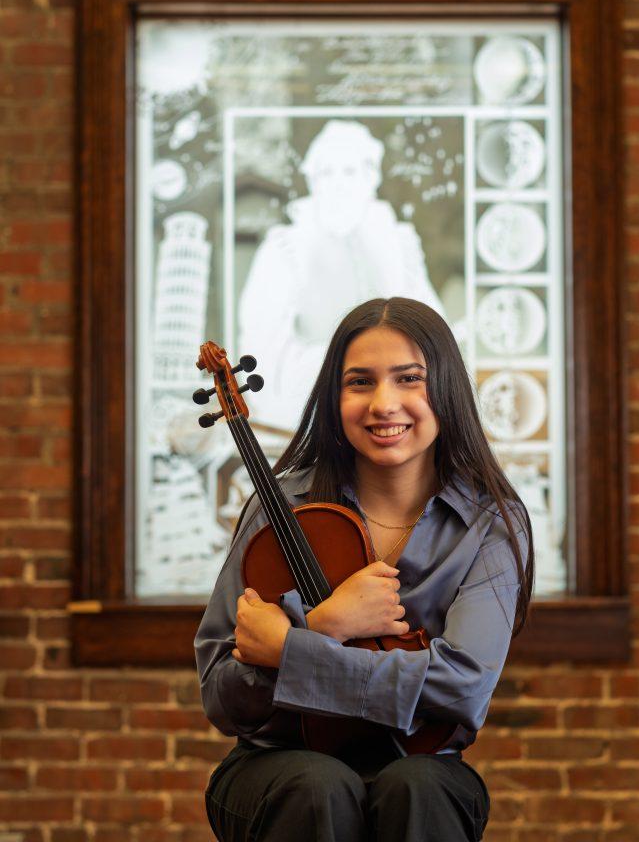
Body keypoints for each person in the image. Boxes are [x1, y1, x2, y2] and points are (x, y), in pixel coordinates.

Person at [195, 297, 534, 842]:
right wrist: (325, 624)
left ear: (446, 388)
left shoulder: (490, 522)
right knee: (317, 785)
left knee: (419, 786)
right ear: (334, 399)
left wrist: (292, 648)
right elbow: (221, 696)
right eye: (359, 382)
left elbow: (463, 690)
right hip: (277, 766)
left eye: (409, 379)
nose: (384, 403)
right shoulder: (278, 507)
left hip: (423, 765)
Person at [238, 120, 447, 430]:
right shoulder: (284, 247)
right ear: (313, 181)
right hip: (311, 401)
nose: (338, 184)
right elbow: (261, 344)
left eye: (349, 172)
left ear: (370, 179)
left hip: (395, 408)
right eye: (327, 172)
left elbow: (433, 329)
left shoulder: (398, 242)